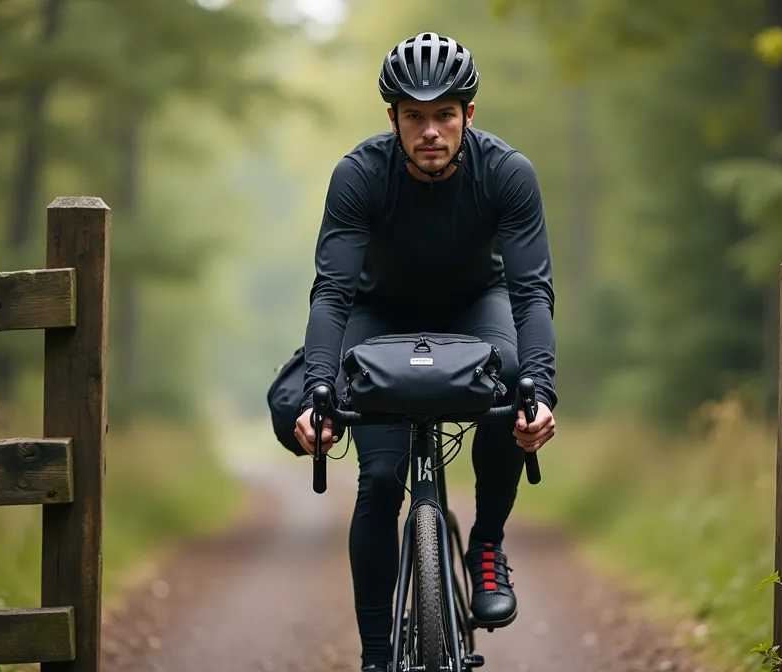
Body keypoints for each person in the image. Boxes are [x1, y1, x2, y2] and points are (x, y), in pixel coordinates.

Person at [292, 31, 559, 671]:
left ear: (470, 113)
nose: (431, 130)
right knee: (381, 480)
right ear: (393, 118)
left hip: (476, 306)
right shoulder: (359, 175)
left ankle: (486, 546)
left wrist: (543, 395)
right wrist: (319, 393)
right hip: (377, 315)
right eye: (415, 116)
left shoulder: (507, 173)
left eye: (445, 113)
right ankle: (377, 658)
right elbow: (331, 293)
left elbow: (531, 294)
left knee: (514, 381)